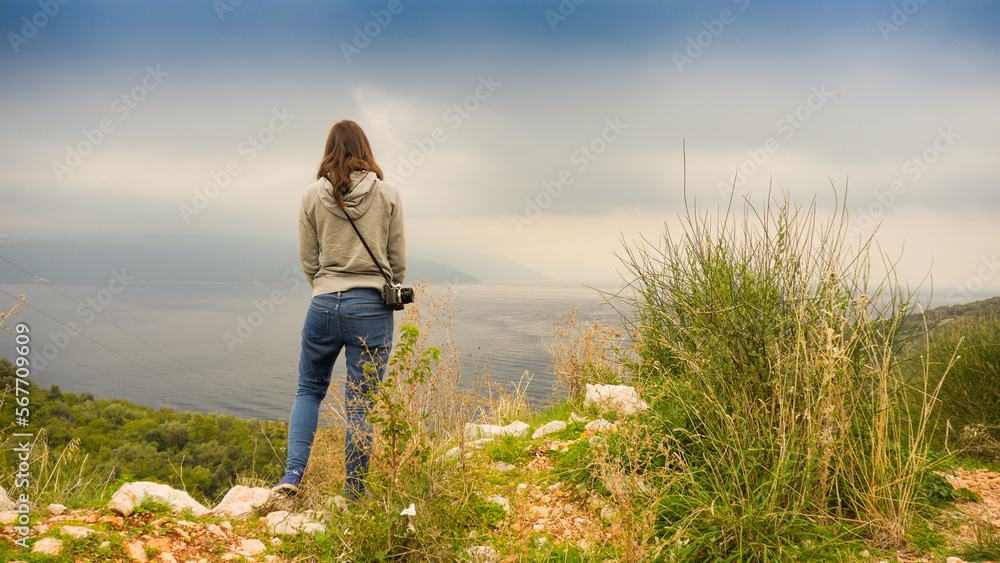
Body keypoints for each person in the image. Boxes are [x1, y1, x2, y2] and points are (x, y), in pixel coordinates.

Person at [273, 120, 405, 500]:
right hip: (371, 305)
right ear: (365, 148)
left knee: (309, 390)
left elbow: (307, 259)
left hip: (323, 304)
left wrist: (326, 286)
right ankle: (355, 494)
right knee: (361, 401)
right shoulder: (389, 194)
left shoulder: (310, 195)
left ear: (329, 148)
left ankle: (292, 477)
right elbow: (397, 261)